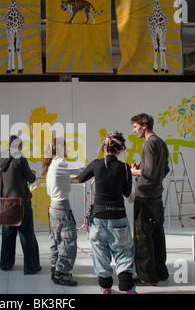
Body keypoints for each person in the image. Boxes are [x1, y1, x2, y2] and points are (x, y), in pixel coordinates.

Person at [78, 131, 136, 294]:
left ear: (105, 147)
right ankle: (127, 288)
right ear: (120, 150)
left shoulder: (96, 164)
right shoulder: (124, 168)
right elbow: (126, 192)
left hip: (99, 217)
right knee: (124, 252)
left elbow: (80, 178)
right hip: (118, 216)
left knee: (100, 254)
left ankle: (106, 288)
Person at [130, 113, 170, 285]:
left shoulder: (149, 144)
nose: (134, 131)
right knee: (157, 235)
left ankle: (146, 276)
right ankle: (160, 272)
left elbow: (150, 173)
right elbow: (164, 169)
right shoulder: (161, 143)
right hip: (156, 196)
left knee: (143, 237)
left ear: (144, 125)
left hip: (145, 196)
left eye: (135, 127)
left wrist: (134, 172)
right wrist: (142, 168)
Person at [42, 138, 84, 286]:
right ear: (59, 147)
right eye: (66, 146)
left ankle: (55, 269)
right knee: (69, 241)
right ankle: (61, 273)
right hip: (62, 208)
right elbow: (81, 170)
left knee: (57, 240)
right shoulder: (60, 162)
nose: (68, 149)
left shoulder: (53, 164)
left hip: (54, 208)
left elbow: (64, 180)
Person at [0, 135, 41, 275]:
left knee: (8, 235)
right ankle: (31, 267)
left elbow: (1, 179)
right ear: (19, 146)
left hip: (6, 201)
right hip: (21, 201)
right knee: (27, 235)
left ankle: (5, 264)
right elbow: (30, 178)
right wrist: (32, 174)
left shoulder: (2, 158)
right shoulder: (20, 158)